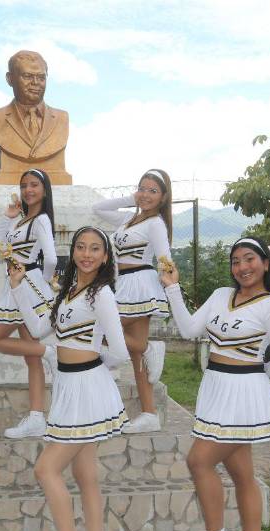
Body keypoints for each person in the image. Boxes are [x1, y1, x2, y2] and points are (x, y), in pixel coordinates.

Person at [160, 237, 270, 531]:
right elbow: (191, 329)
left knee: (199, 461)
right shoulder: (222, 294)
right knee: (242, 474)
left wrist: (254, 375)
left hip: (244, 394)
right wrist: (173, 289)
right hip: (217, 389)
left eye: (249, 259)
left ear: (265, 263)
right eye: (235, 261)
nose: (242, 267)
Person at [8, 226, 129, 531]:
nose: (87, 254)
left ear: (106, 256)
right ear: (73, 252)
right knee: (86, 474)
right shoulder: (69, 292)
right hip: (69, 387)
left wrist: (92, 366)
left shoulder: (102, 294)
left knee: (46, 469)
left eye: (95, 248)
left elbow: (121, 352)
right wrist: (17, 286)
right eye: (81, 247)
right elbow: (38, 328)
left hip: (85, 388)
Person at [91, 168, 173, 433]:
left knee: (102, 328)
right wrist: (132, 198)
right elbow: (99, 207)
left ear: (163, 197)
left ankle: (147, 349)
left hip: (141, 283)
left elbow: (164, 257)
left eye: (153, 191)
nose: (146, 194)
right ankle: (149, 413)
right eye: (142, 188)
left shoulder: (156, 224)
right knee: (135, 349)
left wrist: (170, 287)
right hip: (121, 284)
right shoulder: (128, 219)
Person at [0, 168, 58, 439]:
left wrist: (42, 286)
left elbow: (50, 258)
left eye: (34, 185)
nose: (28, 190)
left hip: (24, 285)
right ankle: (37, 417)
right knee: (31, 355)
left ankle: (49, 353)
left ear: (44, 190)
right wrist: (7, 218)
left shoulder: (41, 221)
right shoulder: (21, 221)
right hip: (14, 285)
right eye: (24, 185)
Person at [0, 50, 72, 184]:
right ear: (10, 79)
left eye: (41, 77)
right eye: (27, 76)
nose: (35, 82)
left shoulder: (62, 118)